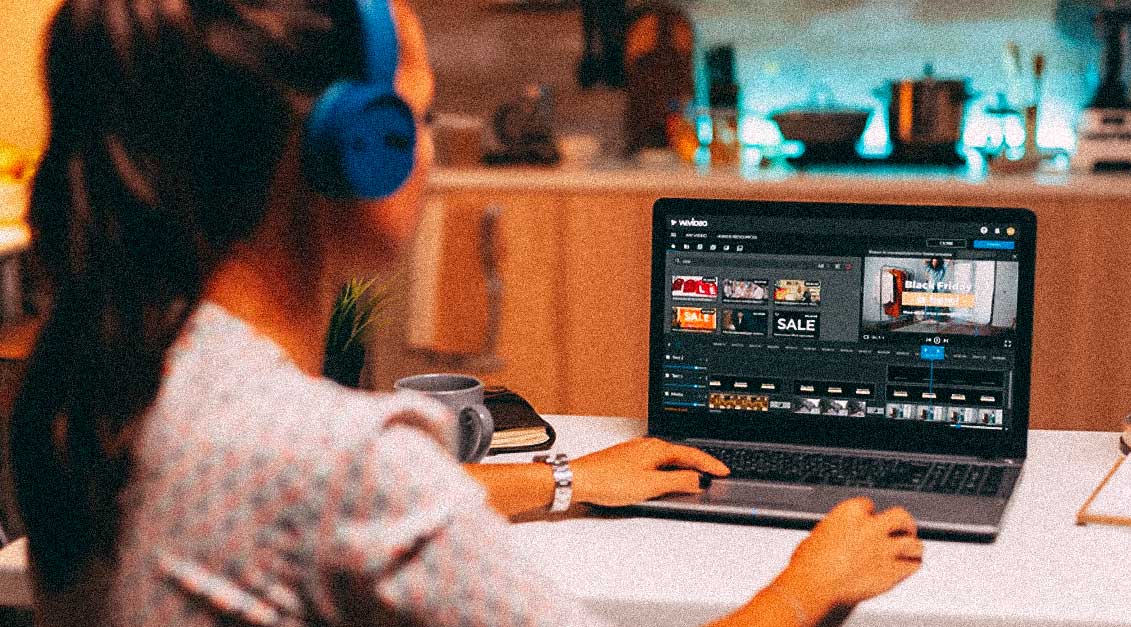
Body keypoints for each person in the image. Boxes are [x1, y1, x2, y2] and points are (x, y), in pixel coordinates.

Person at [7, 1, 922, 625]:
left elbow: (316, 513)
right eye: (424, 115)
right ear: (360, 147)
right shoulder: (336, 459)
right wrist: (811, 584)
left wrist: (568, 481)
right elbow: (342, 491)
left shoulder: (103, 374)